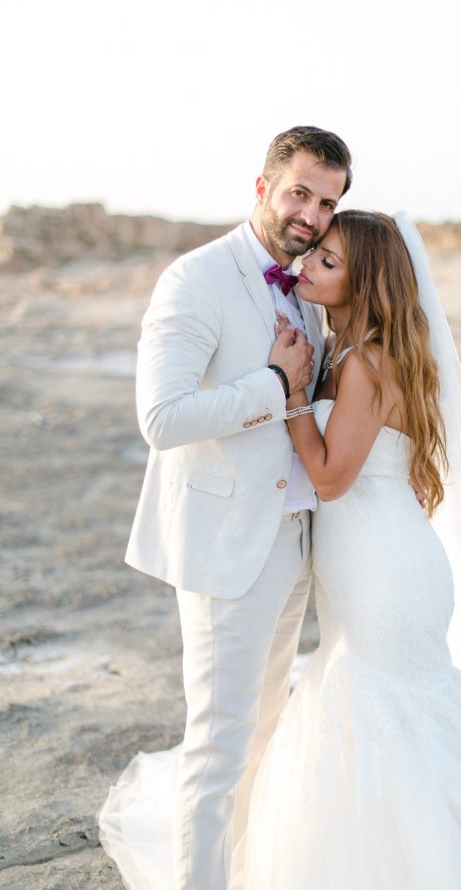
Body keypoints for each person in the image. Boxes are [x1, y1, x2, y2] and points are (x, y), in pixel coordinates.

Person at [228, 210, 461, 888]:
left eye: (329, 263)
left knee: (382, 708)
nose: (307, 266)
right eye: (314, 254)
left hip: (386, 572)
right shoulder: (345, 349)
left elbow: (331, 479)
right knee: (383, 709)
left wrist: (289, 393)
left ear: (365, 283)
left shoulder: (368, 360)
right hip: (371, 561)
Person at [98, 126, 352, 890]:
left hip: (293, 543)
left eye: (327, 203)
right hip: (225, 547)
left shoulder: (305, 288)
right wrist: (272, 385)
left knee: (263, 736)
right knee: (216, 750)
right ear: (263, 187)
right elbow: (162, 418)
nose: (311, 216)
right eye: (300, 193)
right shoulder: (195, 279)